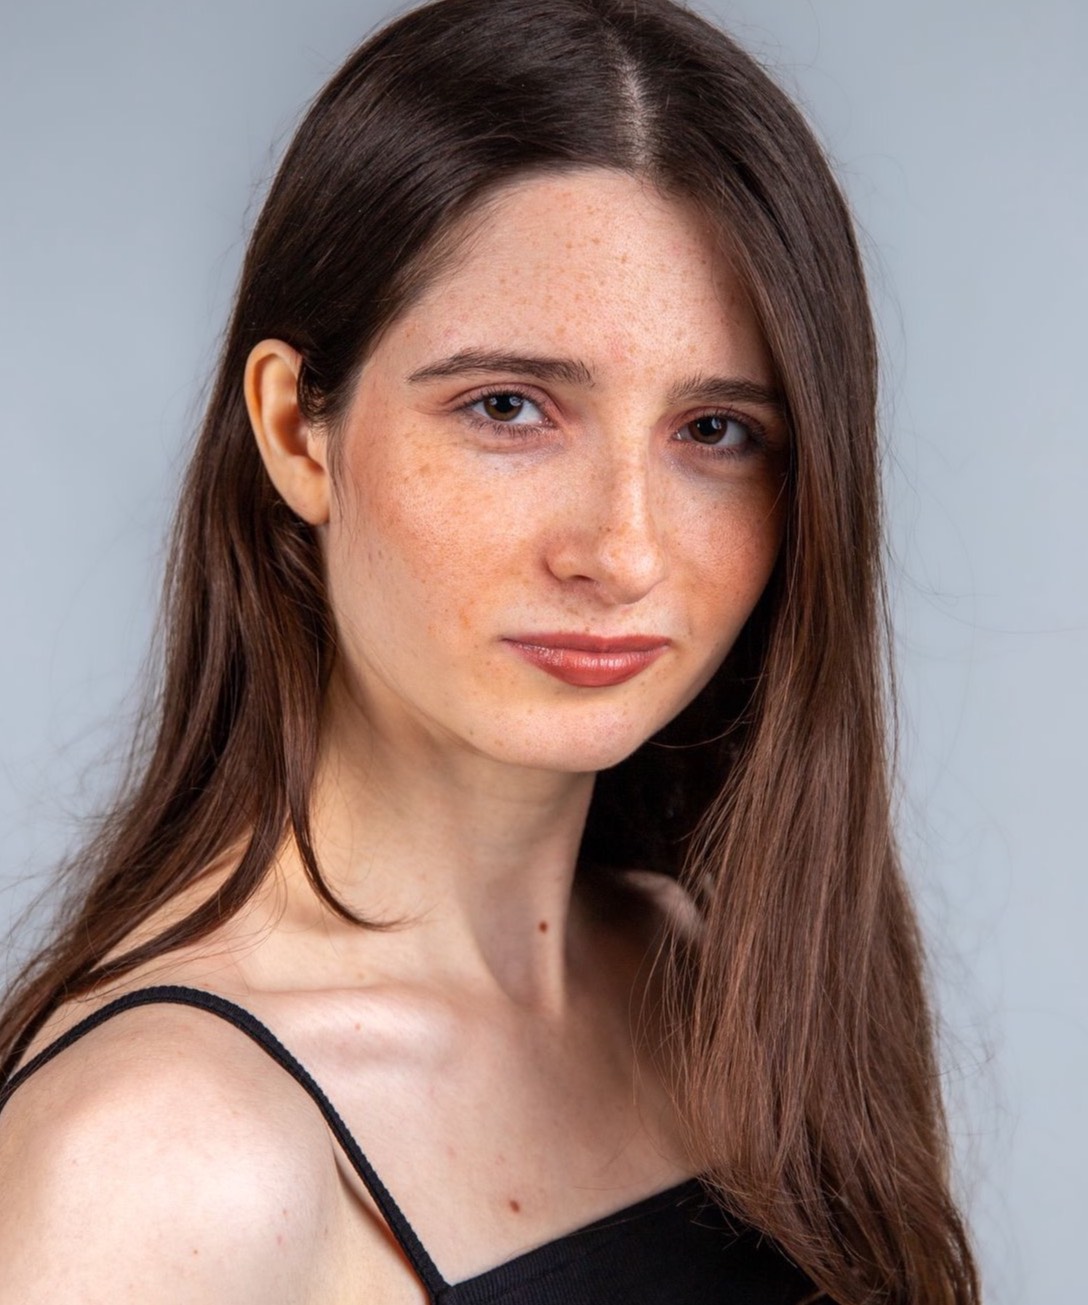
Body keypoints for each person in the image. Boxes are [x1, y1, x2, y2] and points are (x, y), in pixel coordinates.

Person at [0, 0, 980, 1300]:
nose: (622, 550)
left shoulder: (724, 987)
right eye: (509, 407)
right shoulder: (160, 1157)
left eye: (715, 432)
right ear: (295, 431)